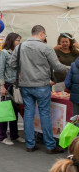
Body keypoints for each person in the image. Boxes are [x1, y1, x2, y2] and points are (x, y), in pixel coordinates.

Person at [11, 25, 68, 154]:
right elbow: (58, 67)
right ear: (42, 33)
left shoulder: (20, 47)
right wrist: (72, 67)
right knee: (45, 114)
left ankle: (30, 144)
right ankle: (50, 146)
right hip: (42, 85)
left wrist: (25, 69)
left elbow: (12, 64)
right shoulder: (46, 47)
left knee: (29, 114)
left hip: (25, 85)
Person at [0, 33, 24, 146]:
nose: (19, 42)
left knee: (15, 111)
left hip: (16, 85)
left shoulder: (18, 53)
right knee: (5, 110)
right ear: (11, 41)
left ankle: (14, 135)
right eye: (17, 40)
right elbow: (0, 70)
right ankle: (2, 136)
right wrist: (2, 86)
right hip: (7, 84)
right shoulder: (4, 53)